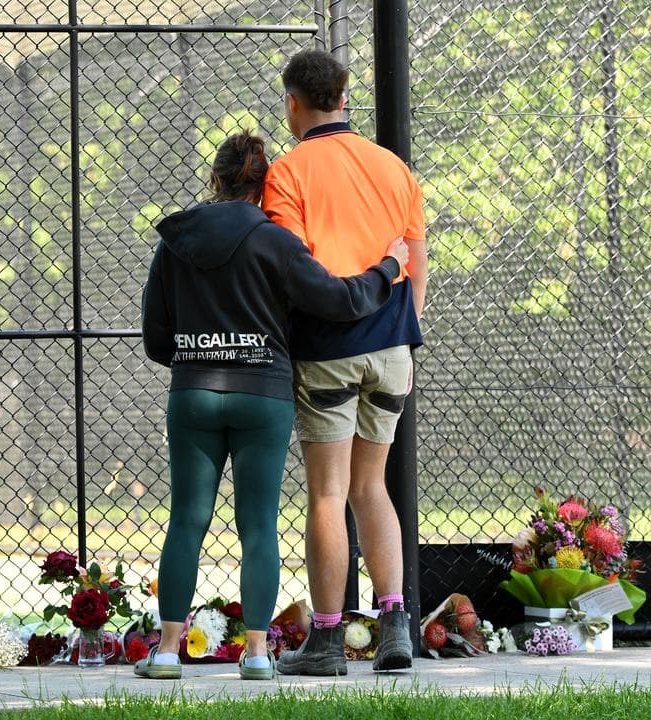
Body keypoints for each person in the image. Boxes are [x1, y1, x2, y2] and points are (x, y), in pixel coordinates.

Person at [136, 133, 409, 681]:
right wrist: (386, 267)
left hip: (193, 390)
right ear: (265, 187)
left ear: (215, 179)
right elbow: (339, 300)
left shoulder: (176, 241)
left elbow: (155, 337)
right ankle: (258, 654)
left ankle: (167, 652)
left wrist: (196, 358)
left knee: (187, 519)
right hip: (264, 393)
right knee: (258, 523)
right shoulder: (275, 241)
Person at [264, 49, 429, 676]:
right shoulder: (392, 166)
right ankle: (394, 631)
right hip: (391, 348)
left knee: (329, 493)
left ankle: (328, 640)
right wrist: (405, 335)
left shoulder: (289, 172)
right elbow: (415, 259)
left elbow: (295, 269)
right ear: (345, 96)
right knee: (372, 486)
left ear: (294, 103)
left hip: (328, 350)